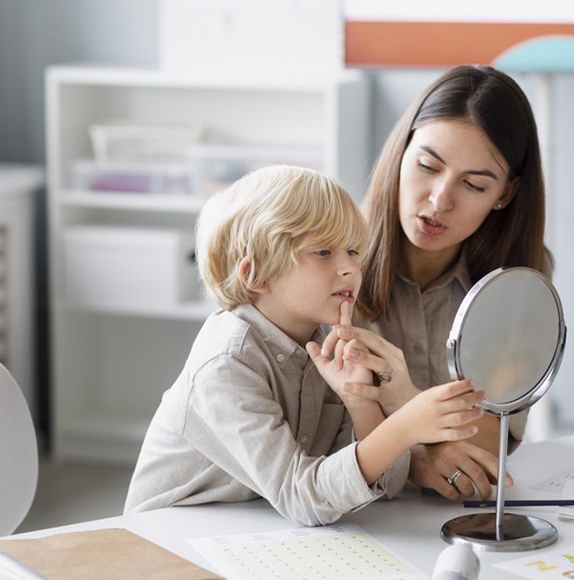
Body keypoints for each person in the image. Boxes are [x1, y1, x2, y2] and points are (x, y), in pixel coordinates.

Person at [124, 165, 485, 526]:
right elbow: (304, 498)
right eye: (323, 252)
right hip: (169, 540)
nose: (350, 269)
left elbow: (385, 484)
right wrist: (404, 426)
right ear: (256, 274)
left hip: (252, 530)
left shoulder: (326, 345)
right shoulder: (226, 362)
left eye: (353, 251)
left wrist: (360, 402)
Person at [322, 65, 552, 501]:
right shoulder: (328, 257)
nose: (439, 200)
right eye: (428, 165)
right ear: (402, 150)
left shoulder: (519, 280)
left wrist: (402, 398)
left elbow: (489, 441)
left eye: (474, 184)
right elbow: (314, 434)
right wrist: (420, 459)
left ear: (505, 194)